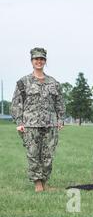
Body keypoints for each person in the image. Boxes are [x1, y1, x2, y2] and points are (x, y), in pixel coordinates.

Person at [10, 48, 65, 193]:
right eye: (36, 59)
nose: (39, 61)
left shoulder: (54, 82)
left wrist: (60, 120)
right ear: (32, 61)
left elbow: (60, 103)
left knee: (48, 156)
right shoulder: (23, 82)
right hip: (30, 125)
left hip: (50, 123)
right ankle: (37, 183)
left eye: (42, 59)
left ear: (45, 61)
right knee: (33, 154)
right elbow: (16, 104)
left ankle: (45, 179)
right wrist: (19, 123)